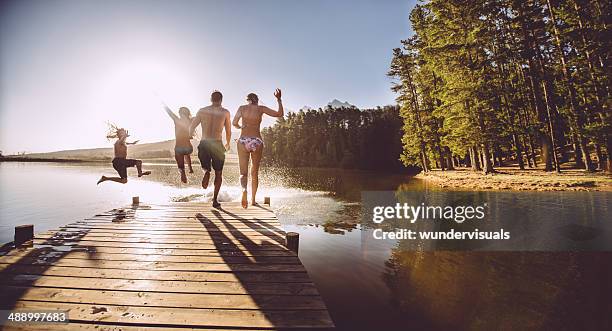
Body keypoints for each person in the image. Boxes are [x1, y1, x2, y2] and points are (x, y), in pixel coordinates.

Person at [232, 89, 284, 208]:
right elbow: (279, 114)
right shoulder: (261, 109)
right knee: (254, 172)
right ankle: (253, 200)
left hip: (243, 140)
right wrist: (279, 99)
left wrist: (241, 126)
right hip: (256, 140)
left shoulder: (242, 108)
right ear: (256, 100)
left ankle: (244, 190)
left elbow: (234, 122)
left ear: (248, 100)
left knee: (243, 173)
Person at [189, 91, 231, 208]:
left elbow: (192, 126)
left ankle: (206, 172)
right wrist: (227, 143)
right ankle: (215, 200)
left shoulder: (202, 110)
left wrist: (190, 135)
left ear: (211, 99)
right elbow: (228, 131)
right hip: (217, 144)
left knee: (205, 166)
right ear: (221, 100)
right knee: (218, 173)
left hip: (204, 143)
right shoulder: (225, 112)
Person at [163, 104, 194, 183]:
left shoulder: (177, 120)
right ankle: (190, 167)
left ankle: (183, 173)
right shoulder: (191, 121)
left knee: (181, 167)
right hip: (188, 147)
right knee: (187, 153)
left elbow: (169, 112)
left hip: (179, 147)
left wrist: (163, 104)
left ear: (180, 113)